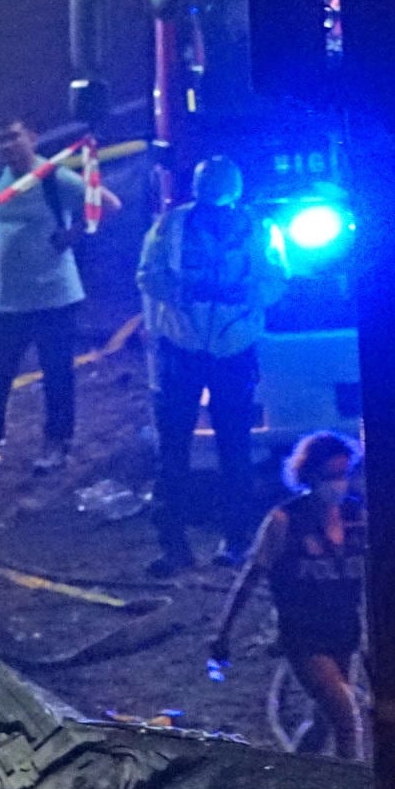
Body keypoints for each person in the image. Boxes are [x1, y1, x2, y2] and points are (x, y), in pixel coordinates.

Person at [137, 155, 281, 569]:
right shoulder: (170, 226)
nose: (214, 217)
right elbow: (147, 275)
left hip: (234, 350)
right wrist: (183, 291)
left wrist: (245, 293)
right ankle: (172, 546)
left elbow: (275, 280)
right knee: (173, 448)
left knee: (235, 448)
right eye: (207, 207)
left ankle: (236, 542)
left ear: (235, 199)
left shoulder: (259, 228)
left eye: (221, 209)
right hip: (180, 348)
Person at [209, 432, 367, 762]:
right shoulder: (284, 522)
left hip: (344, 635)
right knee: (346, 717)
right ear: (308, 476)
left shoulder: (357, 517)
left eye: (343, 474)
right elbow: (250, 578)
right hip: (305, 639)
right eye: (329, 476)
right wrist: (223, 634)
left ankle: (293, 772)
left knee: (323, 723)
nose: (338, 484)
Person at [0, 115, 95, 481]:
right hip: (9, 299)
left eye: (14, 137)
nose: (7, 146)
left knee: (57, 374)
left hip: (54, 297)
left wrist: (74, 233)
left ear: (31, 137)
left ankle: (56, 444)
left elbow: (105, 203)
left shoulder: (54, 178)